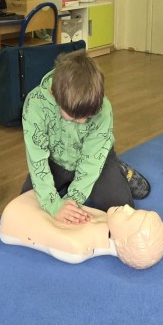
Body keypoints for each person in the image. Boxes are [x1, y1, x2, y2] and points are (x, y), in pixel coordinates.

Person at [21, 49, 133, 224]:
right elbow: (37, 160)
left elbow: (91, 161)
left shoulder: (103, 109)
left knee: (120, 209)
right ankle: (68, 182)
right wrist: (53, 204)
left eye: (88, 116)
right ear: (54, 95)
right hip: (56, 161)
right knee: (27, 204)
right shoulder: (35, 104)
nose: (82, 122)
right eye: (74, 117)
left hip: (95, 158)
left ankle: (121, 171)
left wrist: (71, 201)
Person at [0, 190, 163, 269]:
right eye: (134, 211)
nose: (127, 208)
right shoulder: (107, 219)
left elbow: (43, 231)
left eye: (129, 216)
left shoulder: (77, 247)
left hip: (15, 213)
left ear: (122, 242)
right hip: (36, 198)